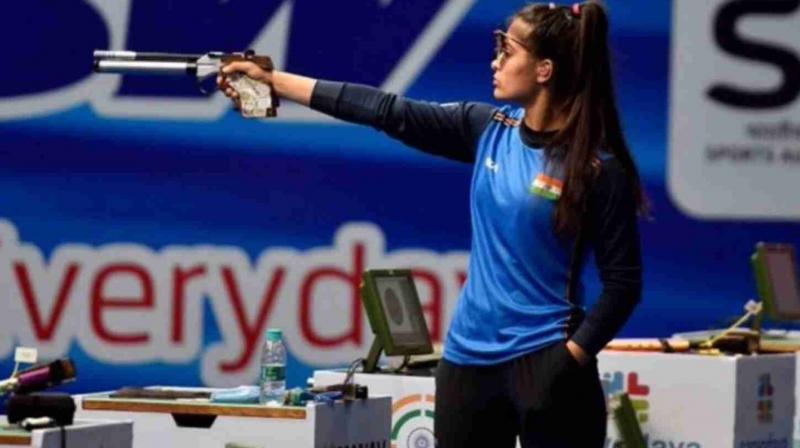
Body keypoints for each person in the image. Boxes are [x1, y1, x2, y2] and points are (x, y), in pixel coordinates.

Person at [218, 1, 644, 446]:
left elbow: (623, 286)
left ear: (543, 70)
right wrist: (274, 81)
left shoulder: (598, 170)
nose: (494, 60)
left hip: (548, 364)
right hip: (467, 363)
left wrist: (568, 359)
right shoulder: (488, 129)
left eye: (507, 49)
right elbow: (385, 110)